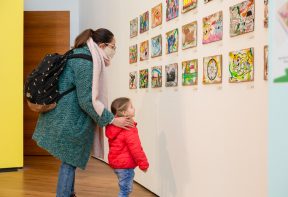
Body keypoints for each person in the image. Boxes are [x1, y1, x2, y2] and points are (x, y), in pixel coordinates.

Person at [32, 28, 134, 197]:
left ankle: (69, 193)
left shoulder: (82, 55)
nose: (114, 51)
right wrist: (111, 120)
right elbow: (87, 100)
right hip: (69, 119)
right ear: (102, 45)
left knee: (69, 159)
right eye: (113, 47)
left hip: (67, 117)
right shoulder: (85, 61)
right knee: (69, 161)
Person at [106, 97, 149, 197]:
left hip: (117, 164)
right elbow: (136, 149)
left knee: (124, 188)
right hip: (126, 165)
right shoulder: (128, 128)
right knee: (125, 190)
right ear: (124, 113)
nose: (134, 108)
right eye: (131, 107)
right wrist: (143, 164)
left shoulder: (113, 126)